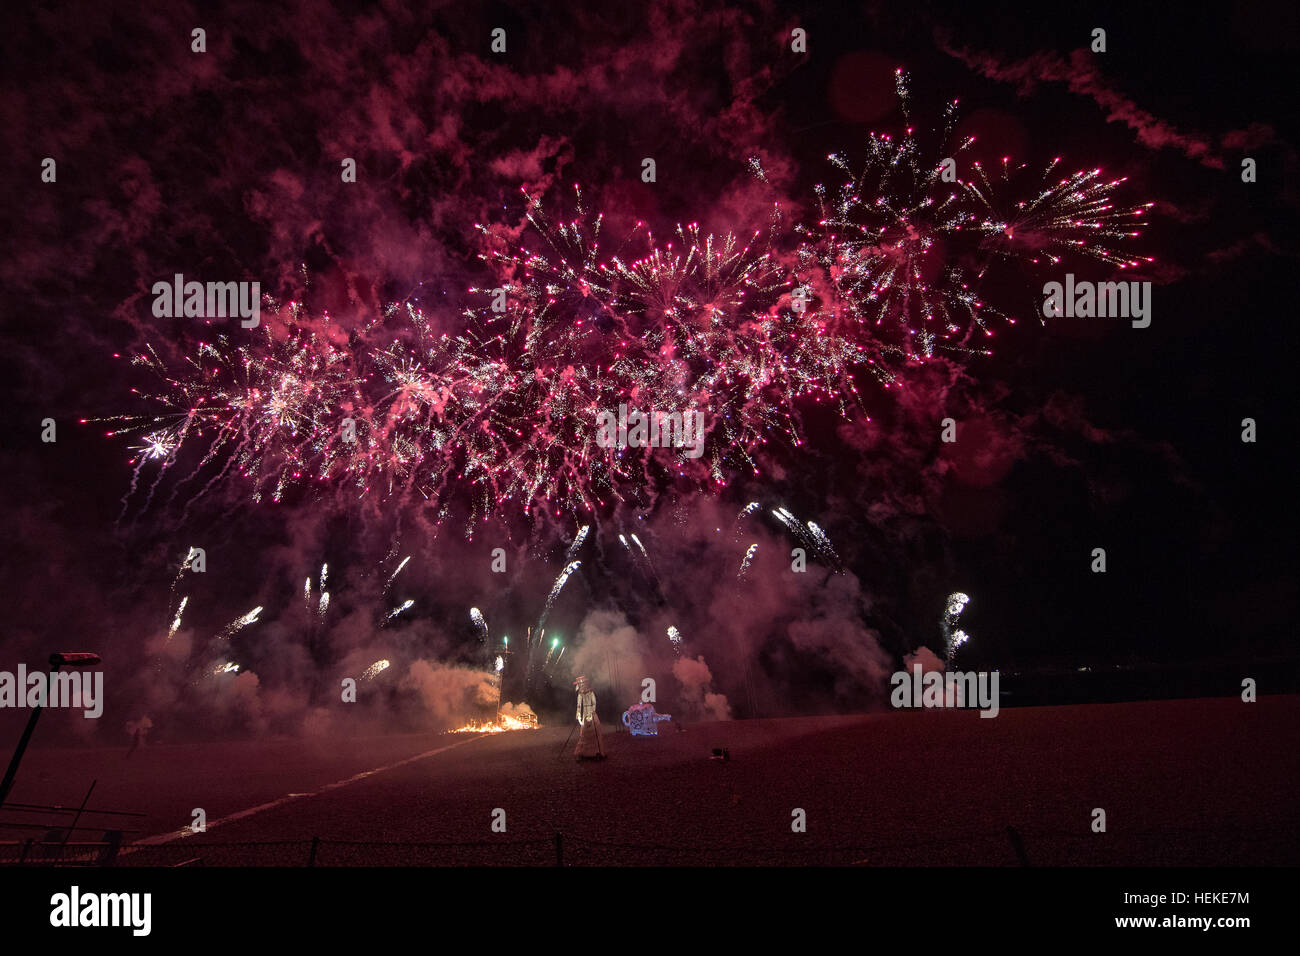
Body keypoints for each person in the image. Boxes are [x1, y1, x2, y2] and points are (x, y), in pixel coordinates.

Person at [573, 675, 604, 761]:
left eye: (581, 684)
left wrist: (591, 713)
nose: (580, 686)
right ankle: (583, 753)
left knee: (594, 733)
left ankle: (597, 752)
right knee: (583, 734)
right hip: (584, 714)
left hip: (591, 713)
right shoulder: (580, 694)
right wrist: (578, 715)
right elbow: (579, 705)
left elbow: (594, 703)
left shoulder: (591, 692)